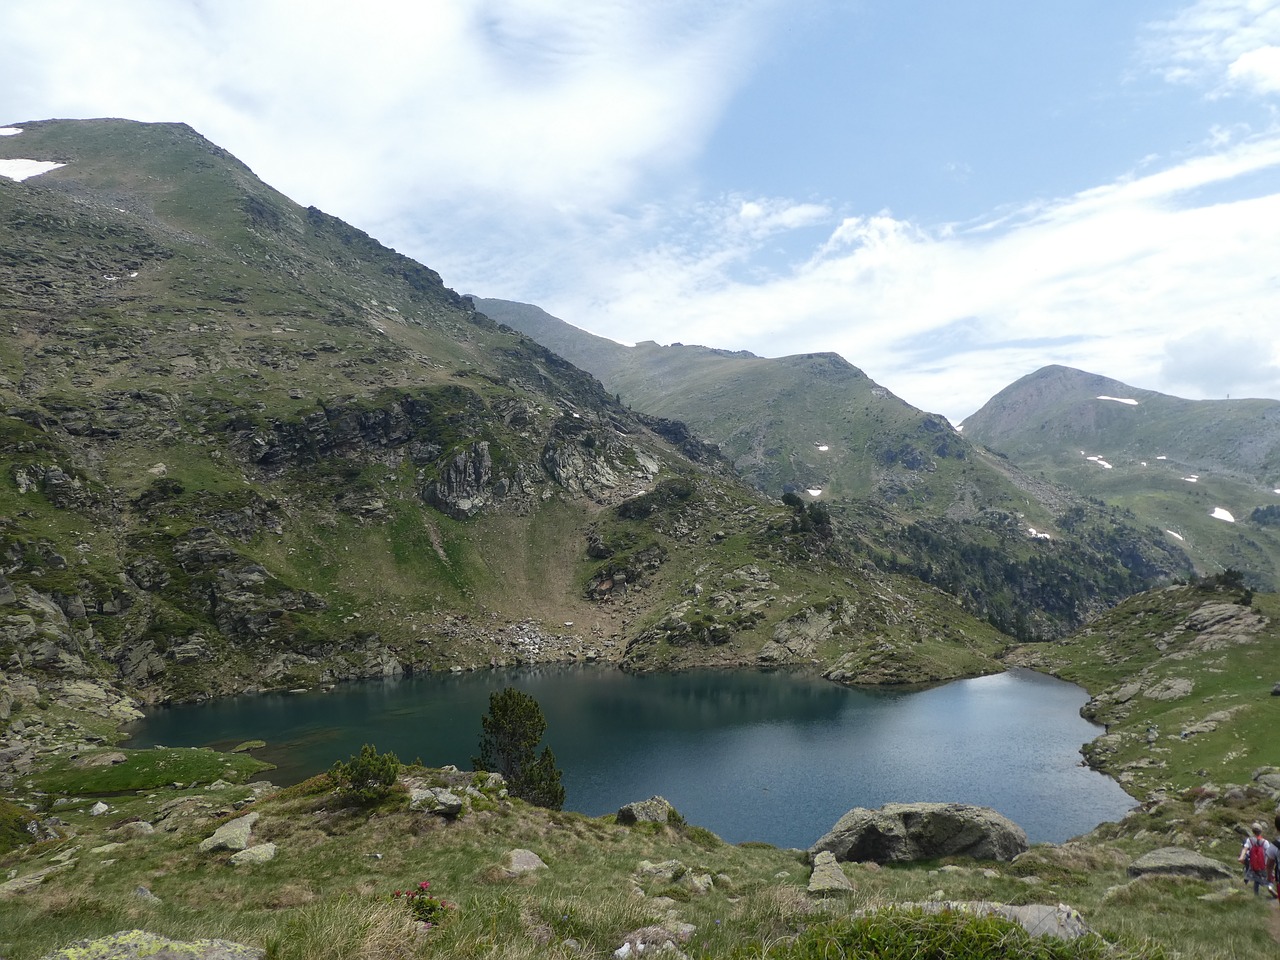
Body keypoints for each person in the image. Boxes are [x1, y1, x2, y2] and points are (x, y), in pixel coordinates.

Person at [1239, 822, 1277, 896]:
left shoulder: (1249, 841)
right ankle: (1270, 887)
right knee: (1270, 878)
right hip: (1264, 865)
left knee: (1256, 879)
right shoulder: (1265, 842)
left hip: (1254, 865)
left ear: (1253, 831)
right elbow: (1269, 853)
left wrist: (1241, 857)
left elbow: (1245, 849)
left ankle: (1256, 895)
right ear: (1261, 831)